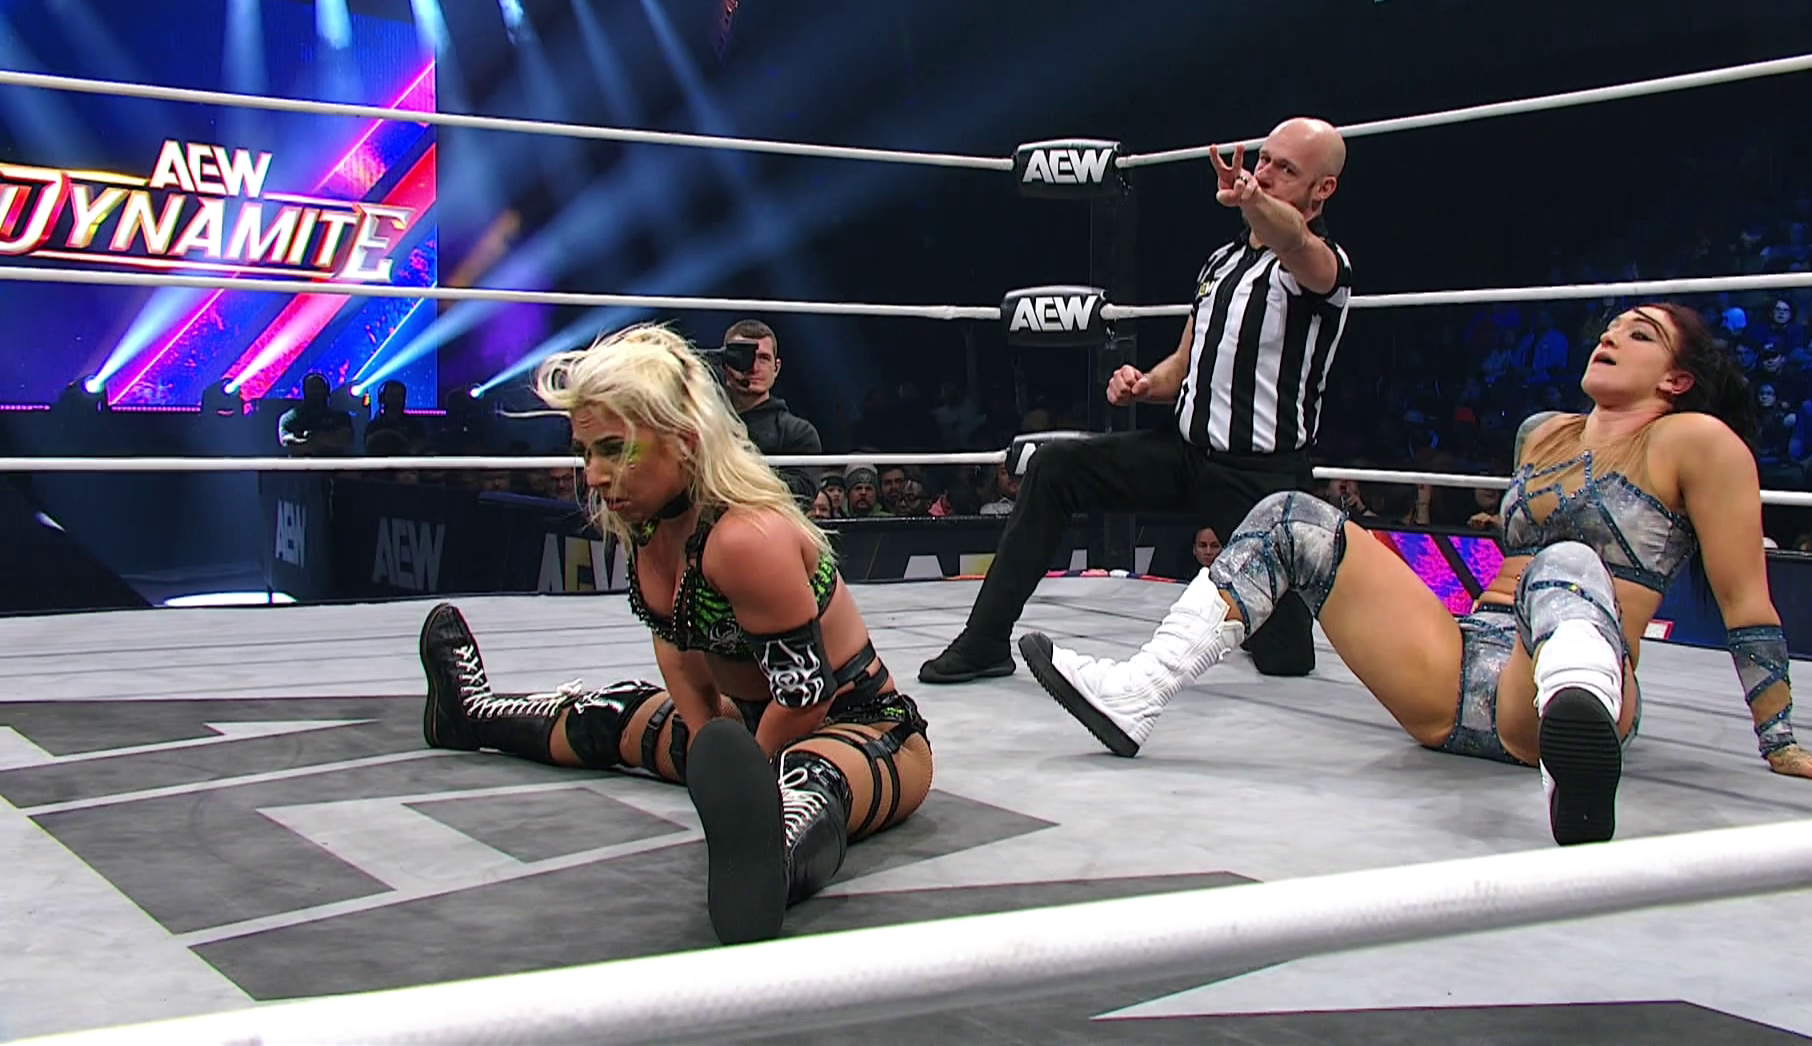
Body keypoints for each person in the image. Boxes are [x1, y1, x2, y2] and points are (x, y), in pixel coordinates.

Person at [1018, 304, 1812, 846]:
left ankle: (1573, 767)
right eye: (1610, 325)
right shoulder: (1541, 433)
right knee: (1290, 515)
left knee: (1567, 560)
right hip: (1453, 670)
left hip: (1563, 684)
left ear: (1676, 379)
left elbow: (1747, 599)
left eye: (1639, 334)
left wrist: (1780, 740)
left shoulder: (1697, 441)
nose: (1610, 335)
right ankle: (1137, 693)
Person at [417, 324, 932, 944]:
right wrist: (706, 743)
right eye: (586, 452)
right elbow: (678, 644)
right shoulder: (648, 525)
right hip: (746, 720)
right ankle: (469, 714)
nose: (594, 475)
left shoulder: (746, 536)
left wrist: (745, 775)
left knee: (810, 777)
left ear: (684, 443)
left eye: (614, 450)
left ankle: (770, 865)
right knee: (613, 714)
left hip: (862, 727)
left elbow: (805, 694)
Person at [921, 117, 1355, 684]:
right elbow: (1186, 360)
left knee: (1286, 660)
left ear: (1323, 190)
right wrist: (1146, 383)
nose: (1266, 173)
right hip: (1185, 454)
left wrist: (1252, 200)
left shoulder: (1324, 268)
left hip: (1260, 480)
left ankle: (1263, 613)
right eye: (1265, 160)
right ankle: (984, 641)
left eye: (1286, 168)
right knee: (1055, 467)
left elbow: (1294, 241)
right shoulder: (1222, 264)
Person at [720, 319, 823, 506]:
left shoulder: (799, 432)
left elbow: (802, 495)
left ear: (776, 368)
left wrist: (732, 472)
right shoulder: (703, 424)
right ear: (725, 363)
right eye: (743, 356)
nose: (753, 367)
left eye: (763, 358)